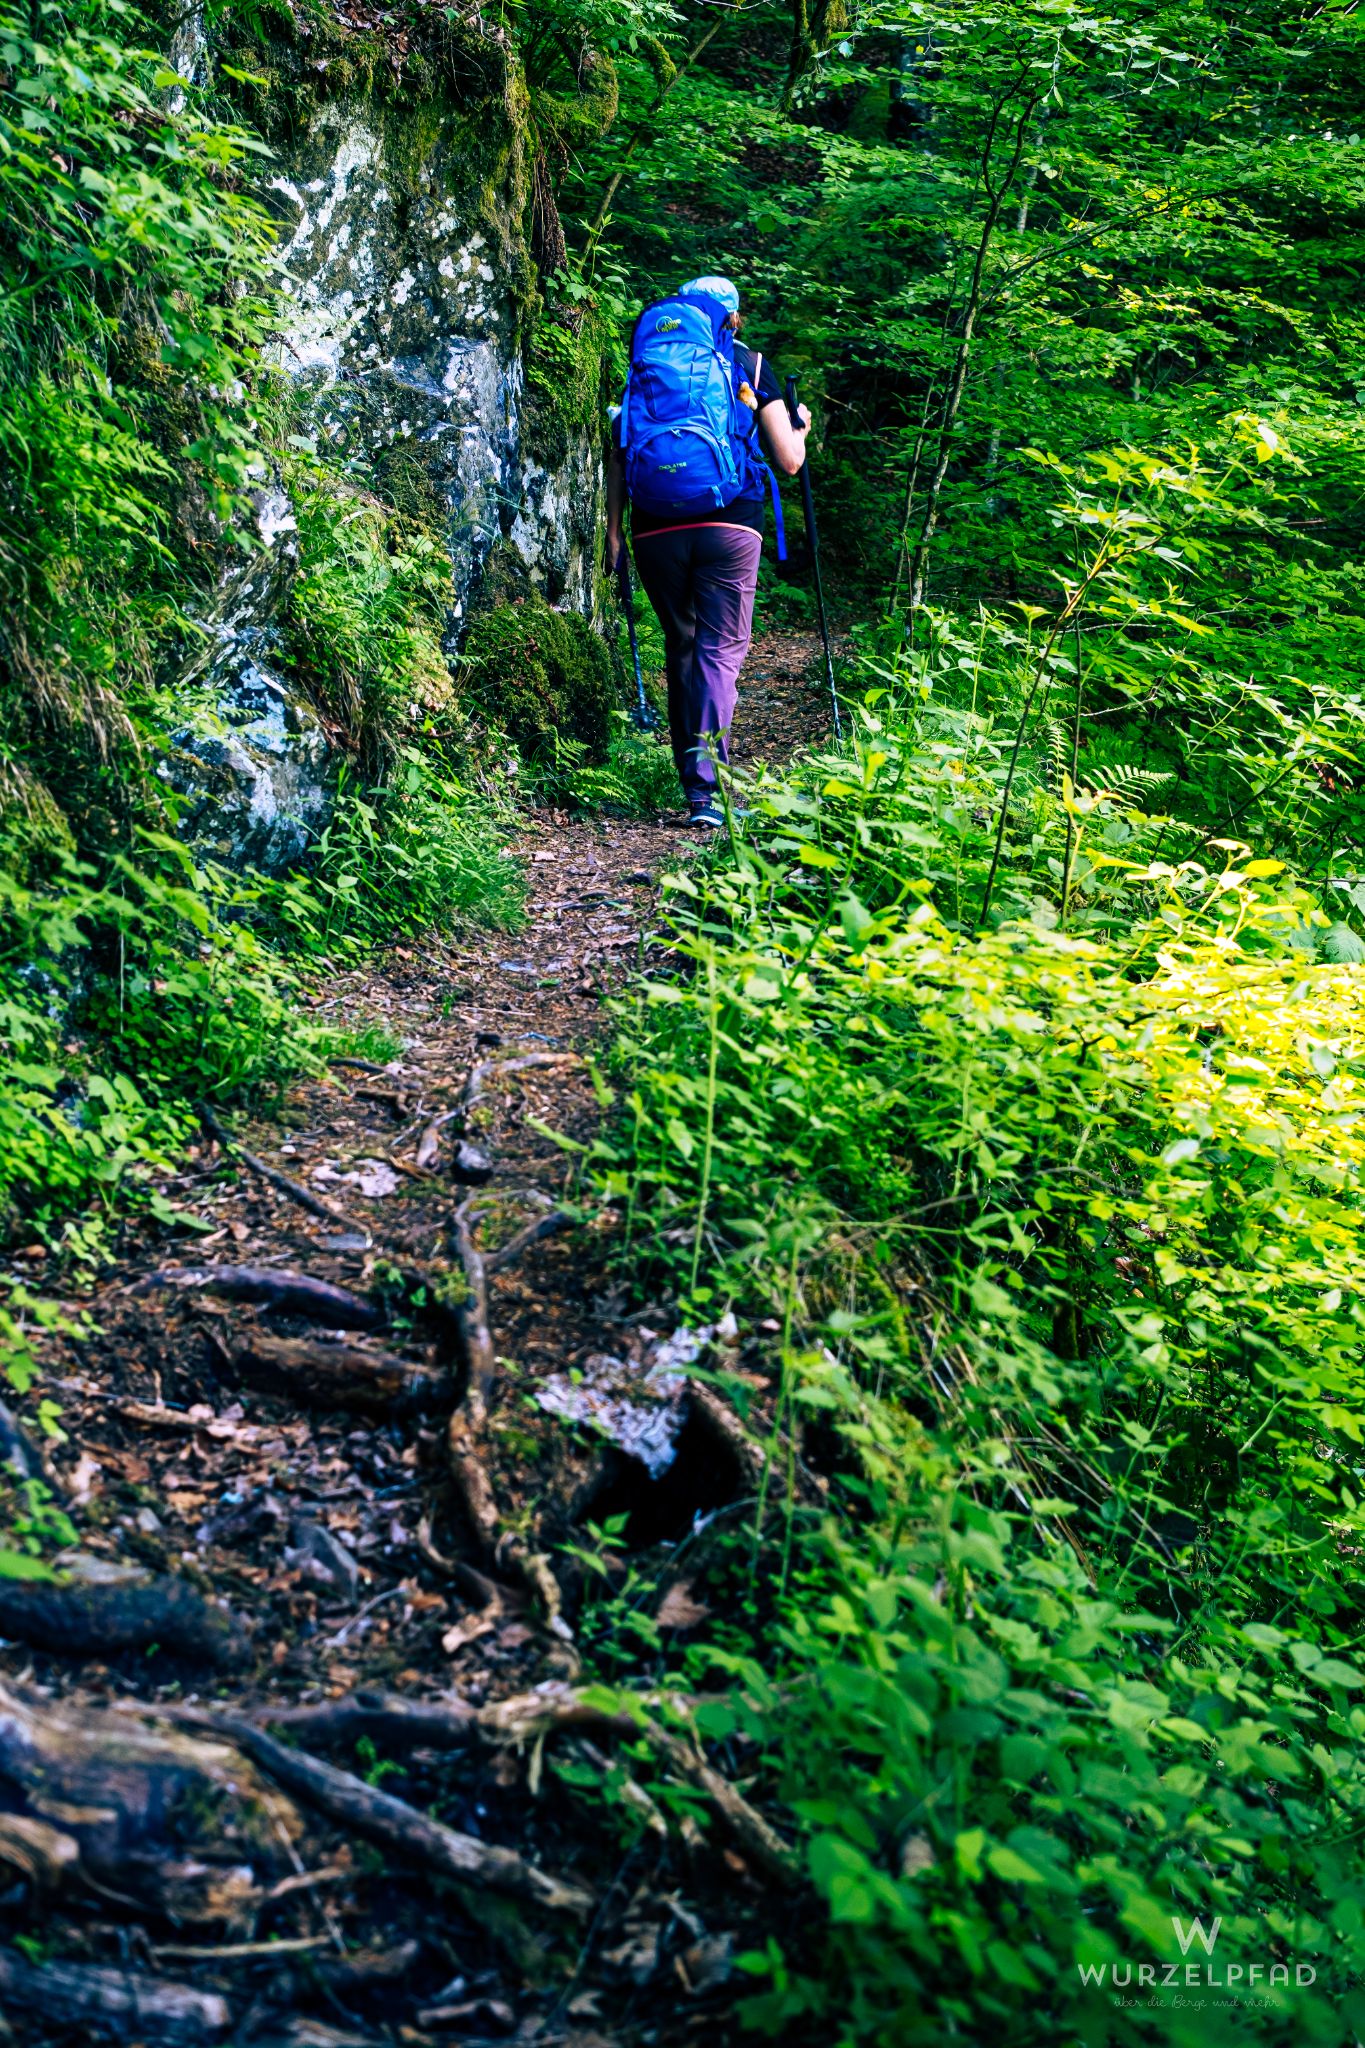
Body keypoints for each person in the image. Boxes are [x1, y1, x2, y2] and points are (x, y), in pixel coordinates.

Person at [604, 275, 810, 828]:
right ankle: (712, 794)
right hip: (730, 523)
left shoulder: (645, 362)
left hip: (654, 524)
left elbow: (621, 446)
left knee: (683, 648)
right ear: (732, 316)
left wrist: (615, 532)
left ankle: (695, 790)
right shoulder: (747, 363)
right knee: (719, 650)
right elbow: (789, 461)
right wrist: (803, 427)